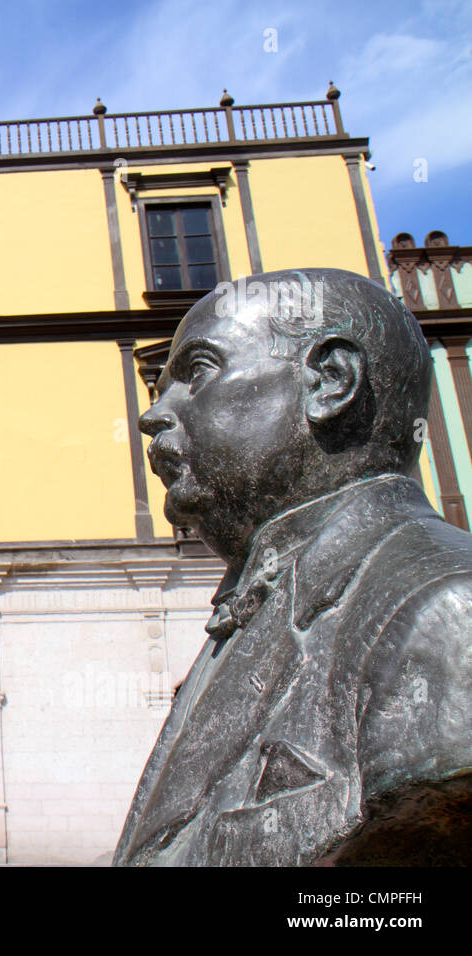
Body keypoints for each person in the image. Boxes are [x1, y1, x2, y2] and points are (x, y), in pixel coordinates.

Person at [115, 267, 472, 866]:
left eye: (197, 372)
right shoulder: (260, 600)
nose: (154, 413)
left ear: (330, 382)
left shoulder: (445, 606)